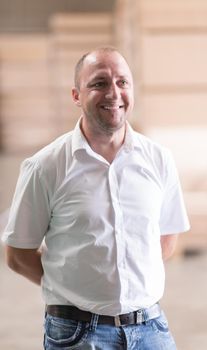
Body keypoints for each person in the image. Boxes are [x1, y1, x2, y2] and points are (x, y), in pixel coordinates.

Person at [2, 47, 190, 350]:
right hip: (77, 334)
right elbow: (17, 255)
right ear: (76, 96)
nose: (113, 93)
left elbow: (166, 238)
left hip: (150, 329)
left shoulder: (159, 160)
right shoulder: (46, 167)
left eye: (122, 82)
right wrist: (75, 289)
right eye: (99, 83)